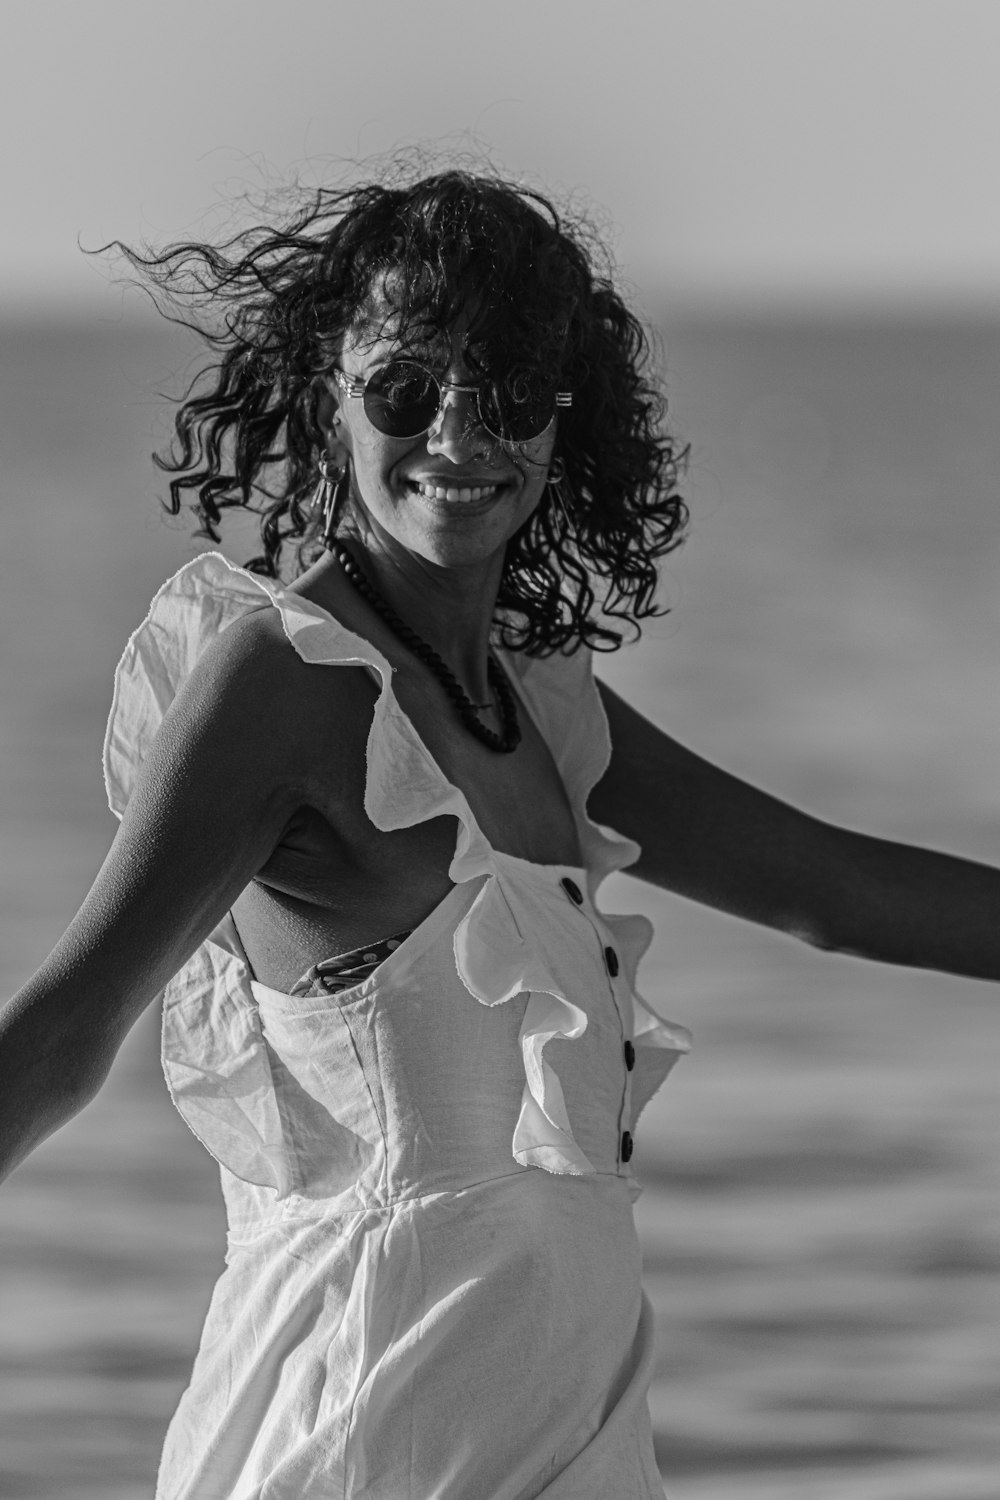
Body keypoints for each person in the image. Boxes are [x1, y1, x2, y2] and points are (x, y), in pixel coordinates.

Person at [1, 167, 998, 1500]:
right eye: (406, 388)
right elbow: (65, 1034)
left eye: (510, 392)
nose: (459, 439)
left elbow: (831, 889)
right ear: (324, 393)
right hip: (362, 1438)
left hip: (572, 1440)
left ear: (563, 421)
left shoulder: (541, 698)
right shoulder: (282, 684)